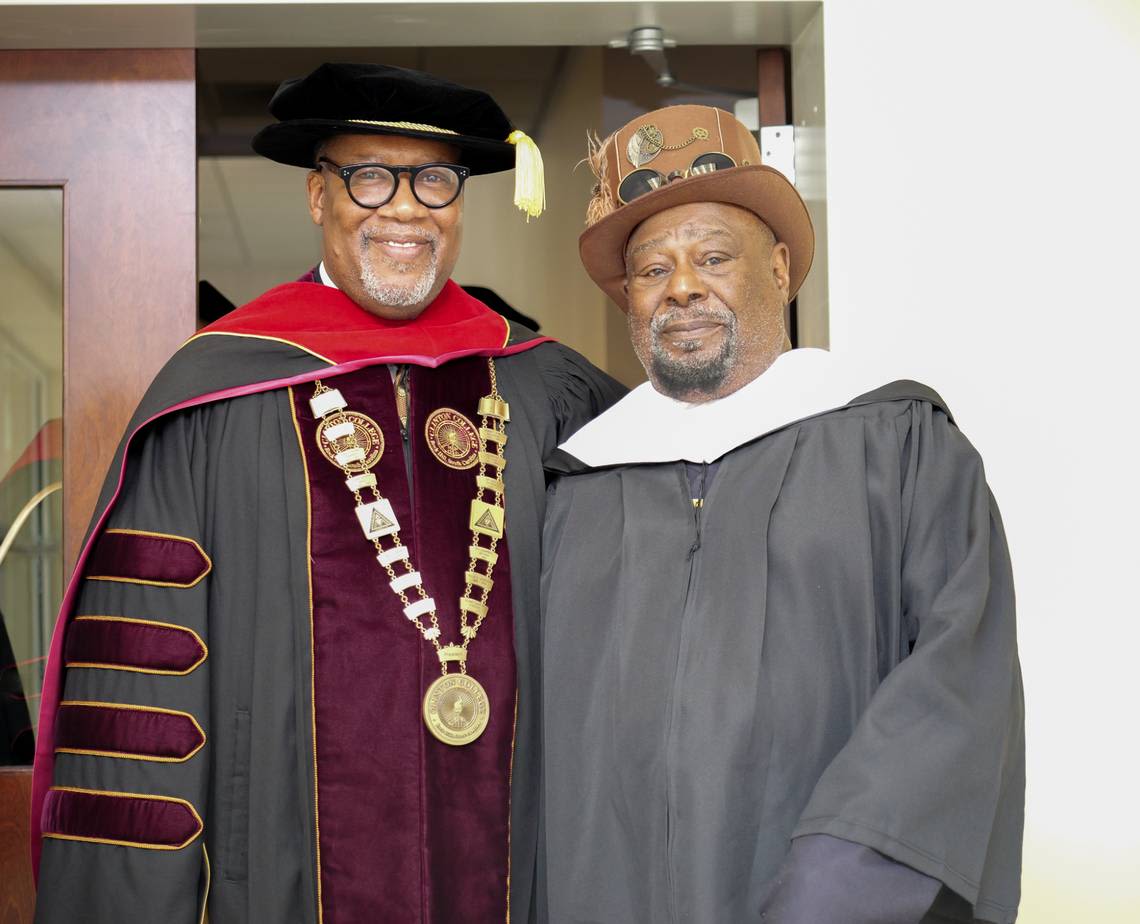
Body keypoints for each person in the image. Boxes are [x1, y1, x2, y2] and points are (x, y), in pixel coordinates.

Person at [31, 63, 623, 923]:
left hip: (512, 860)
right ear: (318, 197)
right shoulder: (215, 399)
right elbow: (144, 689)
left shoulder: (543, 386)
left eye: (434, 179)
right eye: (370, 177)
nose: (407, 208)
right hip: (276, 866)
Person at [539, 105, 1023, 923]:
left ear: (780, 267)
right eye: (652, 270)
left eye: (714, 256)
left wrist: (836, 890)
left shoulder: (898, 447)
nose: (681, 286)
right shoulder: (578, 485)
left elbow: (956, 684)